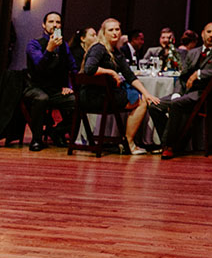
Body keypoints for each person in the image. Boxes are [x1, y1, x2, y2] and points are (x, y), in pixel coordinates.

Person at [79, 18, 160, 155]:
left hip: (105, 95)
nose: (115, 32)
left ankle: (127, 142)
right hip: (94, 97)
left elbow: (130, 76)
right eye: (111, 30)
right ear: (103, 33)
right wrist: (110, 72)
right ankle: (129, 143)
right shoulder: (99, 48)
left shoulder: (116, 52)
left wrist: (147, 93)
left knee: (142, 98)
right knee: (140, 103)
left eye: (117, 29)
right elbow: (89, 69)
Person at [153, 22, 212, 159]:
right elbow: (182, 77)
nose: (211, 36)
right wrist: (177, 93)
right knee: (154, 106)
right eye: (209, 32)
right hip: (186, 91)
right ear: (202, 33)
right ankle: (174, 140)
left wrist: (199, 74)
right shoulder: (193, 52)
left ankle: (168, 146)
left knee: (176, 104)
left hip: (203, 94)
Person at [24, 11, 77, 150]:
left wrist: (69, 86)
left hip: (55, 90)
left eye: (58, 22)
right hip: (35, 87)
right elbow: (39, 67)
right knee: (42, 98)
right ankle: (36, 139)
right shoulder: (34, 44)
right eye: (51, 22)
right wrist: (49, 50)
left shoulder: (64, 45)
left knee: (77, 101)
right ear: (44, 25)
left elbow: (72, 68)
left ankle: (56, 131)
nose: (55, 25)